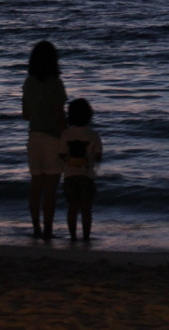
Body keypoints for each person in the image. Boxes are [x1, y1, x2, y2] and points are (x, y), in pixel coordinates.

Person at [21, 40, 67, 240]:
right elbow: (59, 116)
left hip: (34, 138)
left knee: (36, 185)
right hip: (52, 139)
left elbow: (25, 114)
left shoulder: (28, 82)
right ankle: (48, 229)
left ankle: (35, 228)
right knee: (50, 189)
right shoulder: (56, 83)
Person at [59, 97, 103, 242]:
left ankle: (72, 236)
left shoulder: (66, 134)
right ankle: (86, 237)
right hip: (87, 176)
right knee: (86, 210)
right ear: (89, 115)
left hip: (69, 176)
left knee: (72, 208)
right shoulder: (93, 135)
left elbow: (62, 153)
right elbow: (98, 156)